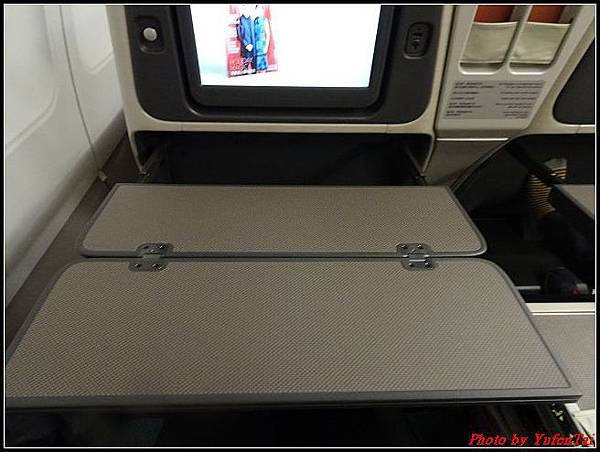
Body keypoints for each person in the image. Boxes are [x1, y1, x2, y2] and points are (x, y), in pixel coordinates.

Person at [236, 5, 255, 73]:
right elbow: (239, 35)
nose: (246, 9)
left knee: (254, 69)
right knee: (245, 70)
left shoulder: (252, 20)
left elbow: (254, 34)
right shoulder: (239, 20)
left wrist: (252, 45)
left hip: (253, 48)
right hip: (245, 48)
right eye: (244, 8)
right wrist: (246, 45)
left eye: (247, 8)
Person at [252, 5, 270, 72]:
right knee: (256, 69)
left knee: (262, 68)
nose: (259, 11)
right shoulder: (254, 21)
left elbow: (268, 34)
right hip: (255, 47)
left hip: (262, 46)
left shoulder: (265, 20)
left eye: (260, 9)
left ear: (262, 10)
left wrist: (266, 47)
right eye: (257, 9)